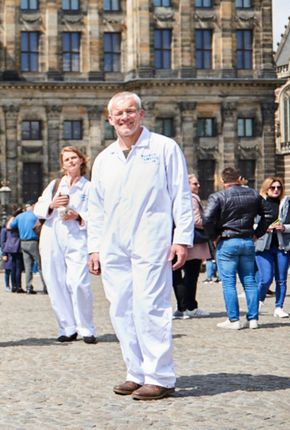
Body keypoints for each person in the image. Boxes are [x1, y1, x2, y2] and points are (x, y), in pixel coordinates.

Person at [86, 91, 194, 401]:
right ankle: (136, 371)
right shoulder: (104, 158)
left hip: (152, 239)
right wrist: (94, 247)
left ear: (141, 114)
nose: (124, 118)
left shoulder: (163, 148)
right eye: (118, 114)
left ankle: (159, 375)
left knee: (150, 306)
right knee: (120, 309)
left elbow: (180, 195)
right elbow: (96, 208)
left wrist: (181, 238)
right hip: (113, 243)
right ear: (110, 120)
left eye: (130, 111)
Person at [32, 146, 96, 344]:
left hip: (77, 236)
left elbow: (98, 215)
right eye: (66, 159)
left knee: (78, 283)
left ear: (81, 161)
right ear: (62, 164)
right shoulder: (55, 184)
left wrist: (78, 215)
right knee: (55, 281)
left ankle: (86, 327)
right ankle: (67, 327)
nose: (70, 161)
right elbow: (38, 209)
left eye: (74, 158)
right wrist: (51, 205)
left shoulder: (89, 187)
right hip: (53, 235)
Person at [203, 167, 271, 330]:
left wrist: (214, 236)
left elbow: (206, 219)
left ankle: (233, 320)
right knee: (249, 281)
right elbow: (269, 214)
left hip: (227, 240)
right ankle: (253, 319)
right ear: (239, 179)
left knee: (228, 282)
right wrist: (257, 233)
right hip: (247, 240)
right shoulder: (254, 194)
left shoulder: (218, 196)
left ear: (222, 180)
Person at [254, 177, 290, 319]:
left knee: (281, 279)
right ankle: (258, 301)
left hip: (282, 246)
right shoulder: (258, 203)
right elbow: (251, 224)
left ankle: (279, 307)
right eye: (272, 187)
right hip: (263, 246)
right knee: (266, 278)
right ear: (266, 188)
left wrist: (284, 227)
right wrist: (263, 228)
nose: (276, 190)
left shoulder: (288, 203)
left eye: (278, 187)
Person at [172, 175, 211, 319]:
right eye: (195, 183)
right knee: (191, 275)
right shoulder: (192, 198)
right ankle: (189, 306)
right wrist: (209, 221)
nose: (198, 186)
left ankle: (183, 307)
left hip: (178, 239)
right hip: (192, 242)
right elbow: (196, 220)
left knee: (178, 276)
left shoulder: (175, 197)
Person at [12, 204, 43, 294]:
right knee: (40, 265)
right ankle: (46, 286)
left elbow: (10, 226)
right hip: (33, 242)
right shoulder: (35, 215)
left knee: (28, 267)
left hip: (23, 242)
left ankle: (28, 287)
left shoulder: (19, 216)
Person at [1, 214, 25, 293]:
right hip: (12, 250)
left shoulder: (13, 228)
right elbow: (2, 242)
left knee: (15, 268)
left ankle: (15, 286)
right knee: (12, 269)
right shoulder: (6, 230)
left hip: (13, 249)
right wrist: (4, 254)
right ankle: (13, 286)